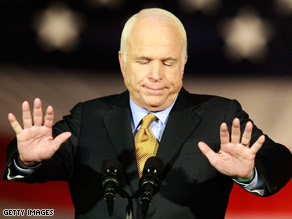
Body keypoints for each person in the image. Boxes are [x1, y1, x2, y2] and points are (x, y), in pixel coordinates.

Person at [2, 8, 292, 219]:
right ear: (123, 61)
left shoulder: (218, 115)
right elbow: (30, 167)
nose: (156, 74)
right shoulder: (87, 118)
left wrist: (249, 173)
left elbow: (279, 161)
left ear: (183, 64)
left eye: (168, 61)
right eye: (144, 60)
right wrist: (27, 159)